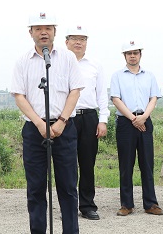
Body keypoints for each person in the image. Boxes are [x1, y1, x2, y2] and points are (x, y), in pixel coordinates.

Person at [10, 12, 85, 234]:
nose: (43, 33)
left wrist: (61, 121)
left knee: (68, 187)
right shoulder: (22, 61)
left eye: (48, 28)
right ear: (30, 32)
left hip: (64, 128)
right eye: (38, 29)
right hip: (35, 130)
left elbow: (75, 90)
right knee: (35, 188)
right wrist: (39, 124)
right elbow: (19, 95)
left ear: (55, 31)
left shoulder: (67, 58)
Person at [110, 40, 163, 217]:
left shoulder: (149, 76)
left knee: (147, 163)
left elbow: (153, 98)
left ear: (140, 54)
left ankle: (151, 203)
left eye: (135, 53)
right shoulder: (117, 76)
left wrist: (143, 117)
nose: (132, 56)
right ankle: (126, 204)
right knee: (126, 164)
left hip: (145, 120)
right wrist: (133, 119)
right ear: (124, 56)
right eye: (129, 53)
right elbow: (116, 99)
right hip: (126, 122)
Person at [64, 25, 109, 221]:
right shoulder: (59, 63)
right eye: (74, 38)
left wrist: (103, 120)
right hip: (66, 118)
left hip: (89, 117)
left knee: (87, 163)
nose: (78, 42)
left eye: (82, 39)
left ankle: (87, 205)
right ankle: (68, 206)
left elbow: (102, 94)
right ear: (66, 42)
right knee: (67, 164)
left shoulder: (95, 65)